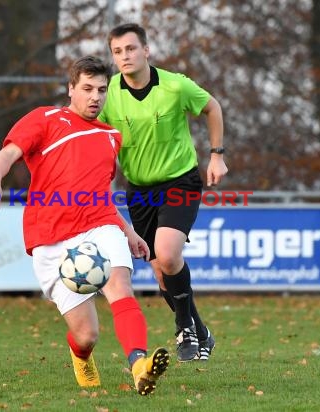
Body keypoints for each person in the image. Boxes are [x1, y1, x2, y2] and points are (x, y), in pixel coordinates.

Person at [0, 56, 169, 395]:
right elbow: (9, 153)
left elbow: (102, 196)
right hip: (49, 236)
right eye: (87, 89)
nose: (95, 97)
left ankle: (139, 364)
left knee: (120, 285)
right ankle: (80, 354)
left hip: (97, 226)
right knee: (87, 335)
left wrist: (129, 233)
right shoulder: (46, 118)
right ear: (71, 89)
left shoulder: (112, 136)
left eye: (101, 90)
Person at [99, 23, 229, 362]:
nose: (124, 56)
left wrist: (217, 155)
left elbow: (212, 107)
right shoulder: (108, 92)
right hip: (139, 188)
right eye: (117, 52)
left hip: (179, 181)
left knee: (168, 255)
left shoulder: (174, 85)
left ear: (146, 50)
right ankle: (200, 331)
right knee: (159, 270)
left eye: (130, 49)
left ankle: (185, 328)